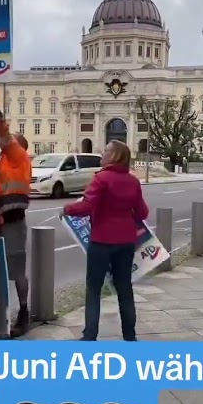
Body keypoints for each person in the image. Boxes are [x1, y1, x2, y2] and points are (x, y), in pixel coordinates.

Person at [64, 140, 149, 341]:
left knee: (94, 289)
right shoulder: (133, 181)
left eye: (107, 151)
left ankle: (90, 335)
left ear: (116, 156)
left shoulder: (101, 179)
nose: (102, 153)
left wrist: (66, 209)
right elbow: (143, 212)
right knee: (124, 288)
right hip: (126, 241)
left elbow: (86, 206)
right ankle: (130, 335)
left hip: (101, 240)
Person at [0, 73, 33, 337]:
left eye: (12, 141)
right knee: (3, 272)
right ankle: (5, 316)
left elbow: (1, 132)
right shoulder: (5, 162)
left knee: (16, 271)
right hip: (1, 222)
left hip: (13, 222)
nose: (7, 143)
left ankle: (24, 312)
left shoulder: (18, 155)